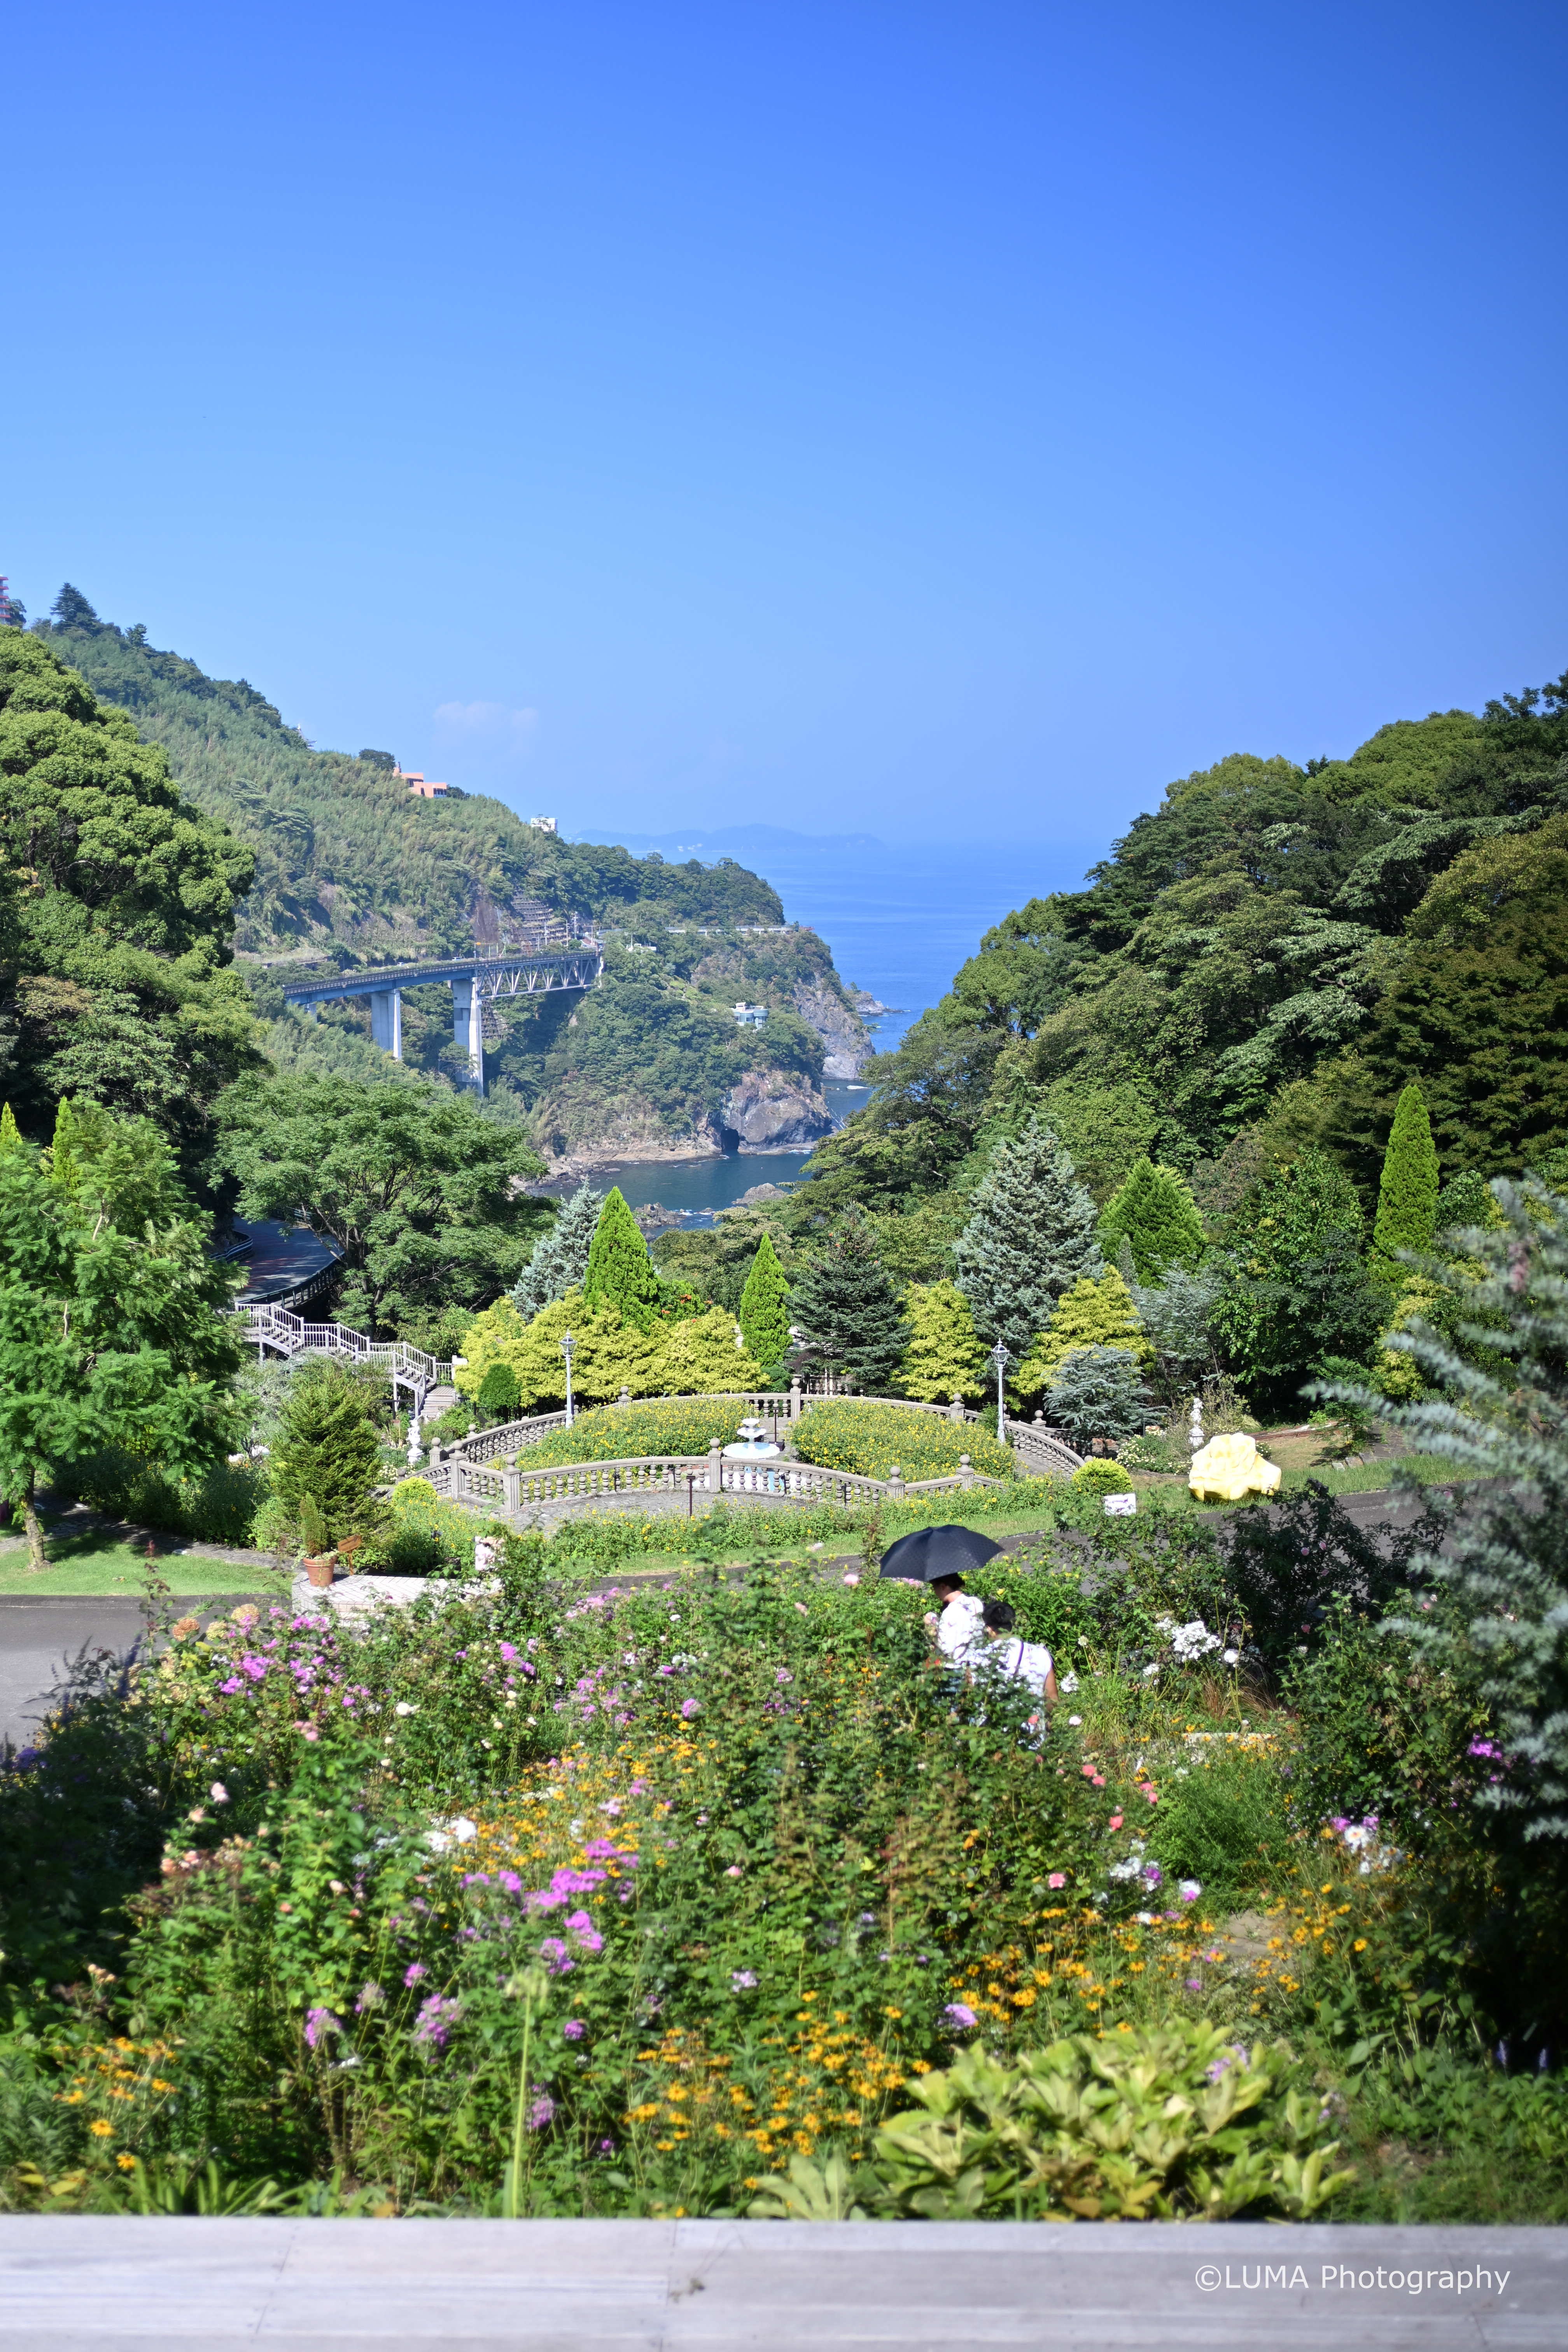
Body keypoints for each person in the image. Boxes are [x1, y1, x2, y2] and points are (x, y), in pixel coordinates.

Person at [976, 1598, 1058, 1709]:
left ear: (989, 1629)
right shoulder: (1039, 1653)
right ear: (1013, 1624)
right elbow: (1052, 1699)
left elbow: (972, 1696)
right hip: (1033, 1723)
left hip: (994, 1724)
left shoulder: (980, 1656)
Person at [924, 1573, 985, 1667]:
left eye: (934, 1588)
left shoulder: (950, 1612)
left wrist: (933, 1633)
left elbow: (947, 1650)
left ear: (943, 1586)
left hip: (957, 1668)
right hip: (977, 1663)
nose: (935, 1592)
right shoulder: (975, 1602)